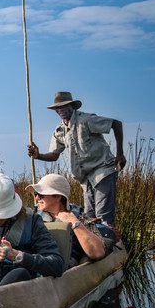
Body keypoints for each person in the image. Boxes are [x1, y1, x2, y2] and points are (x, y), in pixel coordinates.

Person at [28, 91, 126, 226]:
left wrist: (120, 153)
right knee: (89, 218)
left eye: (64, 106)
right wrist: (38, 156)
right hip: (85, 178)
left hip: (102, 170)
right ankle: (95, 244)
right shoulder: (60, 131)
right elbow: (54, 155)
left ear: (72, 106)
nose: (60, 110)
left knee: (103, 216)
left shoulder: (86, 120)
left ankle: (107, 244)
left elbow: (116, 124)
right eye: (58, 108)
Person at [28, 174, 113, 265]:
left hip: (63, 266)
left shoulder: (79, 217)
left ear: (57, 196)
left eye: (41, 195)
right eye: (36, 194)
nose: (36, 198)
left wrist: (74, 222)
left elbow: (97, 253)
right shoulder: (33, 216)